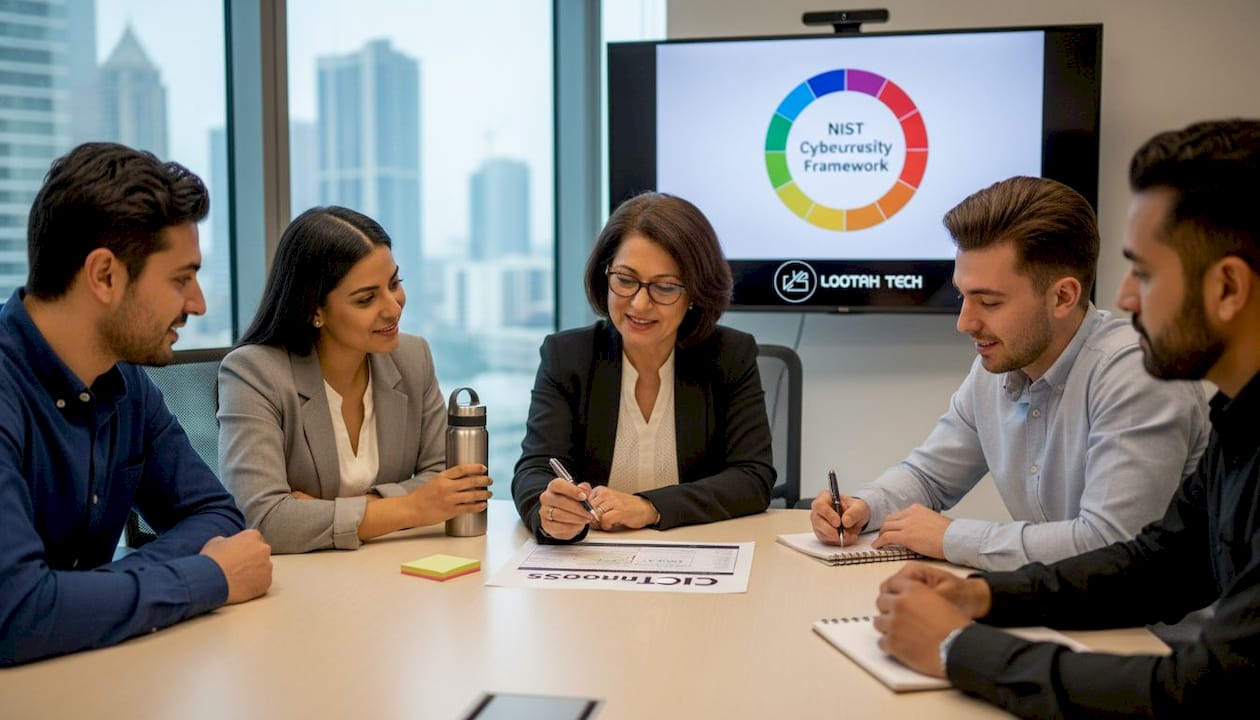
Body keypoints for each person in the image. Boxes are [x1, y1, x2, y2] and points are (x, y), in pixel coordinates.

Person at [872, 119, 1260, 717]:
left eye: (1147, 273)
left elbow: (1201, 690)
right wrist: (979, 597)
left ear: (1228, 287)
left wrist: (956, 647)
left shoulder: (1135, 370)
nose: (1127, 298)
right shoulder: (1241, 422)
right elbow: (1151, 565)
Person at [809, 176, 1210, 571]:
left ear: (1062, 297)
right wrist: (864, 507)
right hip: (1060, 602)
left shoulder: (1138, 375)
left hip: (1156, 629)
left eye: (989, 302)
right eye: (963, 296)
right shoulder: (997, 366)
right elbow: (929, 476)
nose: (965, 323)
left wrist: (950, 537)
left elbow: (1110, 544)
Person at [0, 143, 272, 666]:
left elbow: (218, 515)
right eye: (180, 278)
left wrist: (75, 596)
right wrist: (206, 577)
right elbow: (16, 612)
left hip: (87, 672)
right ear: (104, 276)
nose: (198, 304)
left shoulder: (126, 382)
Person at [217, 206, 492, 554]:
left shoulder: (412, 357)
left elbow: (446, 480)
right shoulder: (253, 374)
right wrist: (411, 507)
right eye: (366, 299)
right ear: (313, 310)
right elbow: (264, 519)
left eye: (394, 283)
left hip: (388, 570)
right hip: (301, 586)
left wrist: (327, 509)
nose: (393, 308)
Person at [512, 192, 774, 542]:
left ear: (695, 293)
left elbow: (753, 477)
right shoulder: (567, 356)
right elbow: (535, 470)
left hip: (696, 558)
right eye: (625, 279)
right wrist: (550, 514)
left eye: (664, 287)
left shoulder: (730, 355)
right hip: (591, 562)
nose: (639, 303)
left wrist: (650, 506)